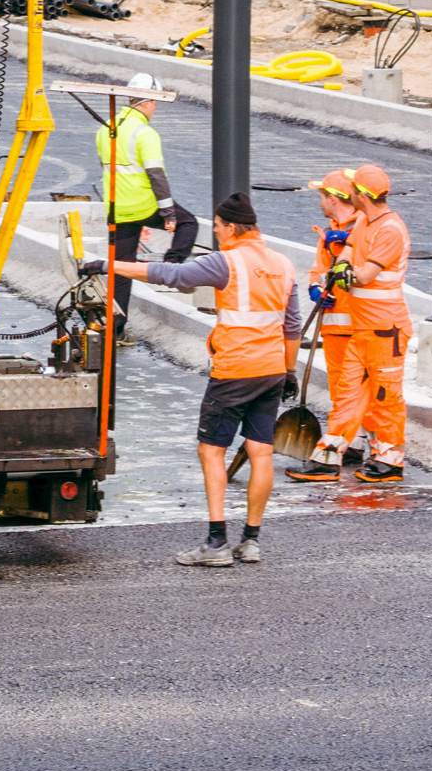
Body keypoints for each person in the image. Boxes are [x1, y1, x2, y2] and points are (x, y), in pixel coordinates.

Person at [102, 191, 301, 566]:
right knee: (261, 452)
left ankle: (215, 544)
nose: (218, 234)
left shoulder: (228, 262)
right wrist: (289, 370)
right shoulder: (283, 264)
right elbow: (291, 325)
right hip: (272, 368)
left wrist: (111, 266)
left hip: (235, 370)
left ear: (229, 227)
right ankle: (251, 541)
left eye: (219, 227)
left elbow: (172, 275)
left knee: (211, 450)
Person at [292, 164, 410, 484]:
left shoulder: (390, 229)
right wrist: (338, 269)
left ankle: (389, 460)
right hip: (364, 327)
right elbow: (348, 254)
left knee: (385, 396)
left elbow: (367, 273)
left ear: (362, 195)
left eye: (354, 189)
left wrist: (346, 274)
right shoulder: (366, 224)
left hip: (387, 330)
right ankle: (328, 457)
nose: (350, 193)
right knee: (347, 394)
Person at [94, 73, 195, 333]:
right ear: (148, 101)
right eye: (155, 102)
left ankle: (115, 328)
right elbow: (155, 174)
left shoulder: (106, 127)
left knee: (121, 269)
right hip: (145, 205)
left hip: (117, 209)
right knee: (188, 224)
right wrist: (168, 213)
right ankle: (171, 269)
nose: (155, 109)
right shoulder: (145, 133)